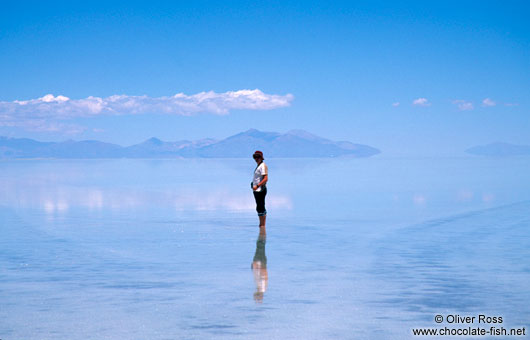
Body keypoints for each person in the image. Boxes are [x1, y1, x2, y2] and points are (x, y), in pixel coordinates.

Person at [251, 150, 268, 229]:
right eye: (255, 157)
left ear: (261, 158)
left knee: (261, 206)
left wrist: (257, 185)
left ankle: (263, 225)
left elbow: (265, 178)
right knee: (258, 207)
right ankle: (261, 224)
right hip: (256, 190)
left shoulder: (263, 166)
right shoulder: (259, 166)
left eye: (258, 157)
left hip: (260, 190)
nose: (256, 159)